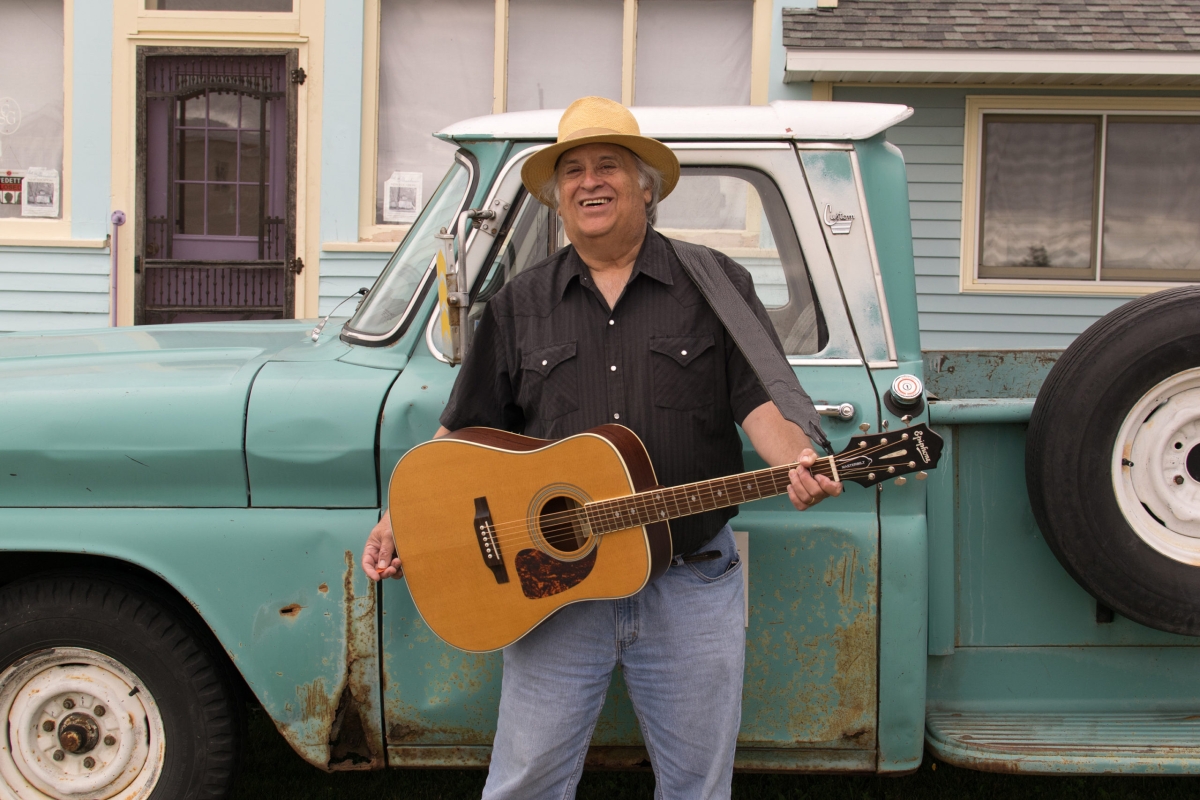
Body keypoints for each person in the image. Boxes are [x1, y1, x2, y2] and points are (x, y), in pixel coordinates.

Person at [362, 96, 841, 799]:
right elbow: (467, 426)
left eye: (609, 166)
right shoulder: (520, 303)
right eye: (574, 170)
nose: (591, 182)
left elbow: (760, 399)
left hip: (689, 579)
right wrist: (401, 515)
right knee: (525, 784)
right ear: (558, 198)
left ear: (645, 185)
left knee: (697, 790)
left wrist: (796, 462)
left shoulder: (715, 284)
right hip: (555, 586)